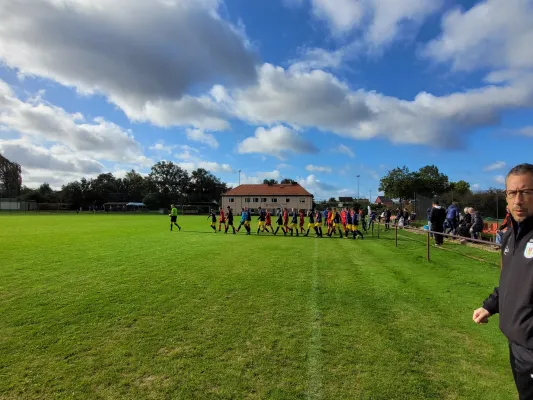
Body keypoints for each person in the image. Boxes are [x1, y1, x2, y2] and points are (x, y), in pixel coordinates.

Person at [473, 163, 533, 399]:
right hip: (516, 345)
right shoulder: (509, 236)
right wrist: (490, 306)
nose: (518, 200)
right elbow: (510, 282)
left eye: (526, 192)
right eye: (512, 193)